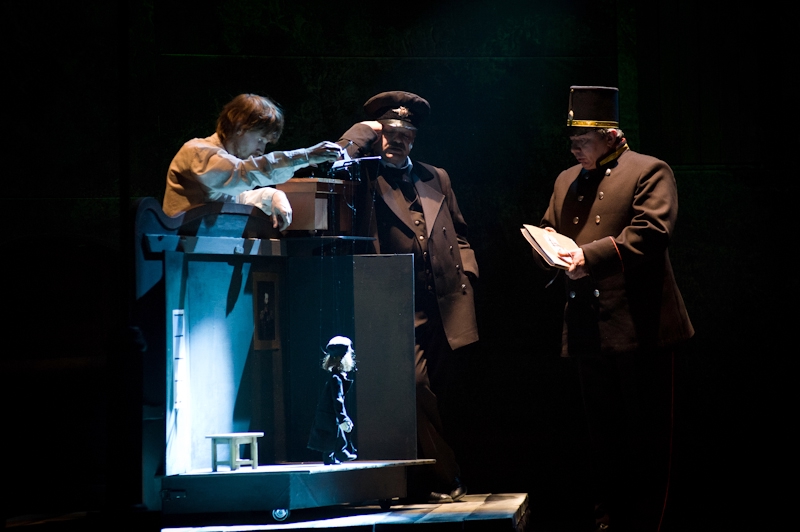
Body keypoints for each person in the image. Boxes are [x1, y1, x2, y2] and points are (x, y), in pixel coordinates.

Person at [537, 86, 694, 531]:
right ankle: (610, 520)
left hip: (642, 328)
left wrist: (588, 257)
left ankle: (650, 525)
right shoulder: (566, 179)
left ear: (610, 136)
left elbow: (652, 231)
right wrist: (547, 249)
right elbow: (549, 227)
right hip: (588, 328)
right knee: (602, 438)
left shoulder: (649, 170)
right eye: (571, 140)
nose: (574, 148)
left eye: (583, 140)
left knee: (649, 439)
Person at [337, 91, 477, 503]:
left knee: (444, 392)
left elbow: (460, 232)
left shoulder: (437, 177)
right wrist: (361, 133)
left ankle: (435, 480)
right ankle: (444, 477)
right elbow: (334, 160)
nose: (396, 141)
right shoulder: (361, 175)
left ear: (414, 139)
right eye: (389, 132)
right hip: (393, 304)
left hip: (446, 302)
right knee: (414, 386)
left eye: (405, 134)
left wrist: (468, 273)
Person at [162, 93, 342, 229]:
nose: (261, 150)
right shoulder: (198, 152)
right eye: (260, 139)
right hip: (180, 256)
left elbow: (234, 197)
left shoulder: (224, 163)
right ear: (240, 127)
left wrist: (273, 196)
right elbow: (240, 173)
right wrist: (304, 156)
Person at [307, 336, 358, 465]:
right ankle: (339, 452)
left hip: (328, 414)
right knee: (332, 434)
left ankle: (337, 454)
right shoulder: (336, 378)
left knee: (333, 434)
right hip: (329, 414)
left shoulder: (336, 376)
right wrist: (343, 418)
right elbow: (338, 399)